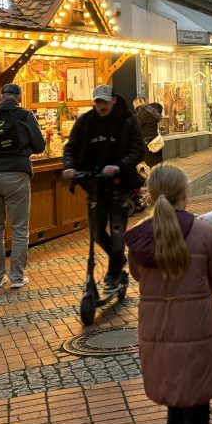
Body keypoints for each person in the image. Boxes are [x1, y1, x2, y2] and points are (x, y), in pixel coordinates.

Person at [125, 165, 212, 424]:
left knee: (174, 412)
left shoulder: (140, 240)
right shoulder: (204, 233)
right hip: (196, 335)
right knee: (197, 420)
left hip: (157, 336)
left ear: (151, 196)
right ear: (185, 194)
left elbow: (136, 274)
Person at [62, 84, 146, 293]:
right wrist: (70, 167)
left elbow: (138, 149)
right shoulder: (86, 121)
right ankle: (118, 261)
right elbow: (71, 147)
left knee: (118, 232)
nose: (101, 106)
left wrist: (119, 165)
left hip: (119, 185)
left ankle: (114, 273)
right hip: (95, 186)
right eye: (97, 102)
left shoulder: (127, 120)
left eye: (104, 102)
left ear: (113, 100)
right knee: (97, 233)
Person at [0, 83, 46, 290]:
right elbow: (40, 146)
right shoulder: (25, 116)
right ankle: (16, 277)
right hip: (17, 175)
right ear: (19, 98)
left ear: (0, 96)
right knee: (20, 228)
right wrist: (22, 149)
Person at [135, 98, 165, 170]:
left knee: (150, 166)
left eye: (135, 105)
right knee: (158, 164)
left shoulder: (143, 112)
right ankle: (160, 179)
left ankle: (153, 180)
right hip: (155, 141)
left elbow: (136, 126)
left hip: (148, 143)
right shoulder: (153, 112)